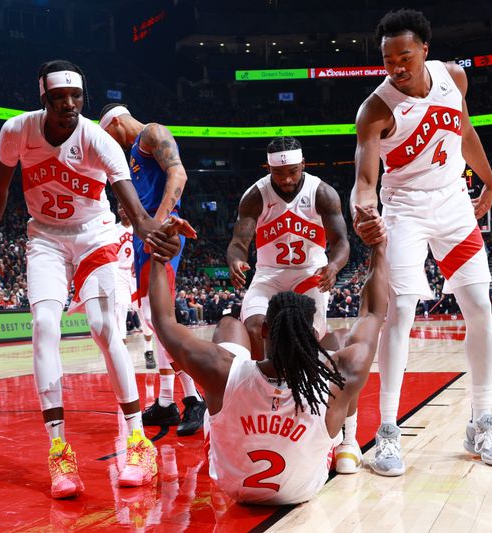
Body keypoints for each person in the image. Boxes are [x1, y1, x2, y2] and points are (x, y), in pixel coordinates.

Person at [0, 61, 186, 498]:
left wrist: (158, 230)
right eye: (59, 98)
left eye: (76, 97)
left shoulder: (99, 139)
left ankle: (138, 441)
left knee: (107, 329)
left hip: (95, 236)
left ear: (84, 98)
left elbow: (136, 215)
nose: (68, 105)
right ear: (43, 98)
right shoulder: (15, 132)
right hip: (44, 237)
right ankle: (59, 451)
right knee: (44, 328)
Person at [350, 9, 492, 476]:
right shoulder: (376, 109)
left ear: (424, 49)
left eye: (404, 56)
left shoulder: (454, 79)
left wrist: (489, 179)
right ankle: (386, 433)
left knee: (479, 306)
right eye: (387, 59)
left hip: (454, 206)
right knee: (399, 312)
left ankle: (481, 423)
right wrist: (365, 210)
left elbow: (463, 132)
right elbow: (364, 179)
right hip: (404, 212)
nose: (396, 66)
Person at [148, 211, 386, 504]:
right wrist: (378, 246)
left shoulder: (220, 371)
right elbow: (374, 313)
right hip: (302, 491)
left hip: (233, 486)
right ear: (311, 335)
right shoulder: (337, 377)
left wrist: (160, 257)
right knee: (336, 342)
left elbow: (163, 322)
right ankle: (346, 444)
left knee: (228, 326)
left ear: (263, 330)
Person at [99, 103, 206, 437]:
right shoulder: (131, 153)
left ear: (115, 122)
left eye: (107, 136)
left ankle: (194, 397)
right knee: (150, 318)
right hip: (147, 235)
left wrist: (157, 225)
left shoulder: (151, 132)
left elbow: (179, 174)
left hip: (162, 234)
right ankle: (165, 403)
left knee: (159, 317)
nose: (107, 143)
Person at [227, 136, 350, 360]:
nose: (286, 179)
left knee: (307, 334)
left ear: (303, 164)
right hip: (269, 274)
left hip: (311, 273)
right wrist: (235, 260)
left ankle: (303, 388)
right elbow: (238, 243)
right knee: (255, 328)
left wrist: (333, 266)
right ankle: (262, 383)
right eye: (278, 173)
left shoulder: (322, 193)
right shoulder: (255, 196)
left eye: (292, 171)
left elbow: (341, 242)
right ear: (269, 168)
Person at [114, 205, 155, 369]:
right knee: (120, 309)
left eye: (125, 207)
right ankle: (122, 354)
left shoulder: (139, 229)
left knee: (145, 314)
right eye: (120, 207)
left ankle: (149, 350)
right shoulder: (112, 230)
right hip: (118, 273)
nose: (123, 210)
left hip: (136, 273)